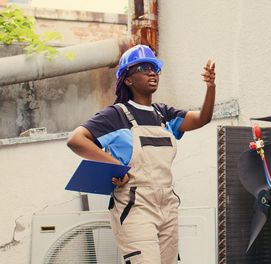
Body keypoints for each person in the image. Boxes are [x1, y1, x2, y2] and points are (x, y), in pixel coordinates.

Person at [67, 44, 216, 263]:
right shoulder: (115, 115)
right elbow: (76, 140)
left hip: (167, 202)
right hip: (135, 205)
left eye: (154, 68)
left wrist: (210, 86)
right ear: (128, 79)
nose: (151, 72)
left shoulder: (164, 114)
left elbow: (202, 118)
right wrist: (116, 166)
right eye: (143, 68)